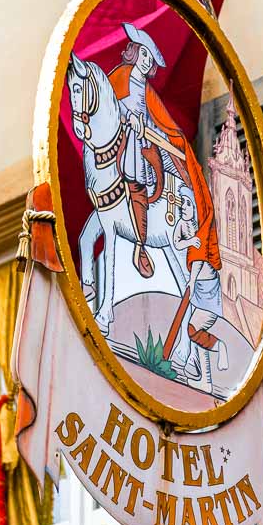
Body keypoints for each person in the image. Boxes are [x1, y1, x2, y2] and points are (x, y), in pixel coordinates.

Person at [108, 22, 220, 311]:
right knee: (133, 172)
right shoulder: (119, 77)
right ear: (135, 52)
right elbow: (110, 107)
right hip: (125, 144)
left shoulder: (147, 90)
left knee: (174, 173)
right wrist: (128, 118)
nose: (148, 62)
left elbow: (160, 123)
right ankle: (139, 241)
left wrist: (166, 139)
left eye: (151, 58)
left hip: (148, 144)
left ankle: (179, 223)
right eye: (145, 55)